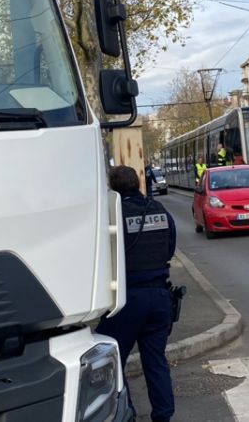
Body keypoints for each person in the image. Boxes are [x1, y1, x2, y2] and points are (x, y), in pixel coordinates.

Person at [97, 165, 177, 422]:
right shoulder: (160, 210)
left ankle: (128, 413)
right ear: (138, 183)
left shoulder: (112, 215)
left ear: (113, 188)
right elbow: (169, 247)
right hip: (160, 297)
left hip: (126, 301)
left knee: (114, 361)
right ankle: (163, 416)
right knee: (156, 362)